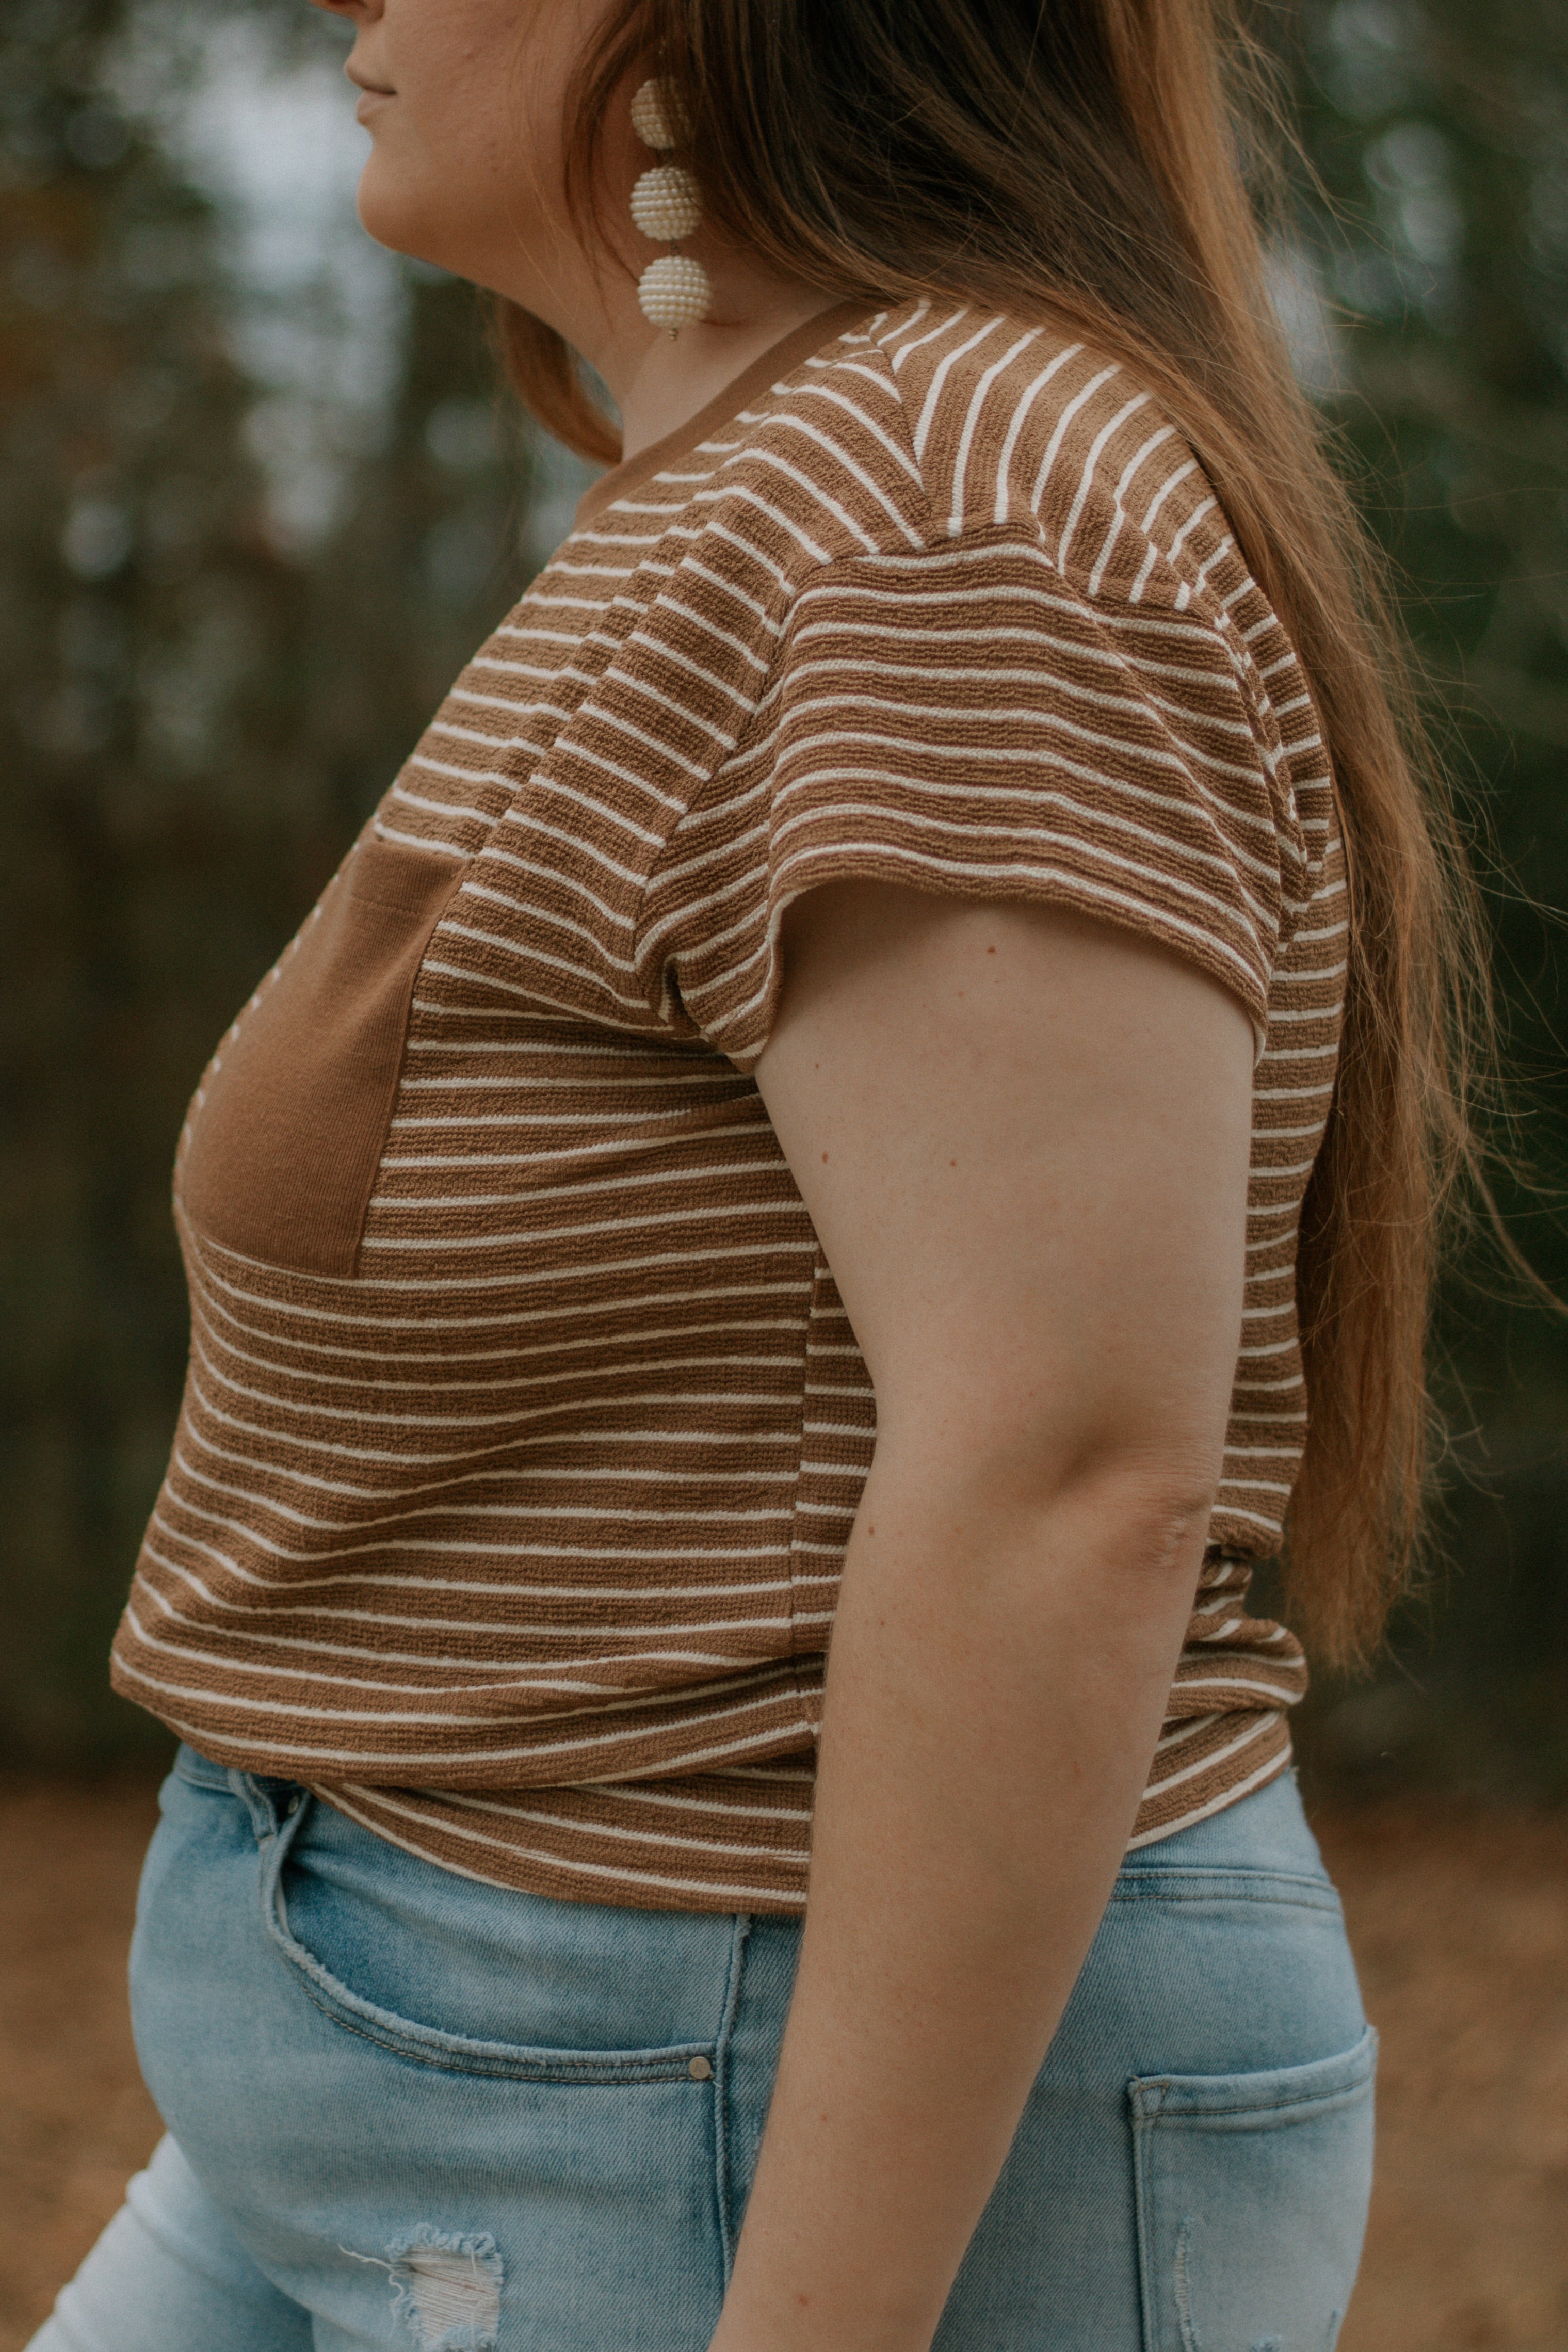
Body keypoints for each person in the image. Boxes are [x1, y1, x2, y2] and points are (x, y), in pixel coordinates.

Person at [31, 2, 1478, 2346]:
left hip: (704, 2103)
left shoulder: (942, 496)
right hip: (455, 2068)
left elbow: (1061, 1472)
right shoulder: (767, 483)